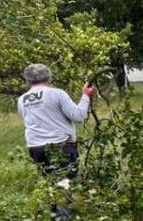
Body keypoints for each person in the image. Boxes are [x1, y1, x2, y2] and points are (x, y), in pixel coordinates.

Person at [17, 63, 93, 218]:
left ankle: (53, 214)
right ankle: (63, 216)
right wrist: (85, 96)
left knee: (50, 182)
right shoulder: (57, 94)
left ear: (28, 80)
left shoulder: (22, 100)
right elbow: (78, 116)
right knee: (64, 183)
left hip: (35, 147)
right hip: (60, 145)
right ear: (49, 77)